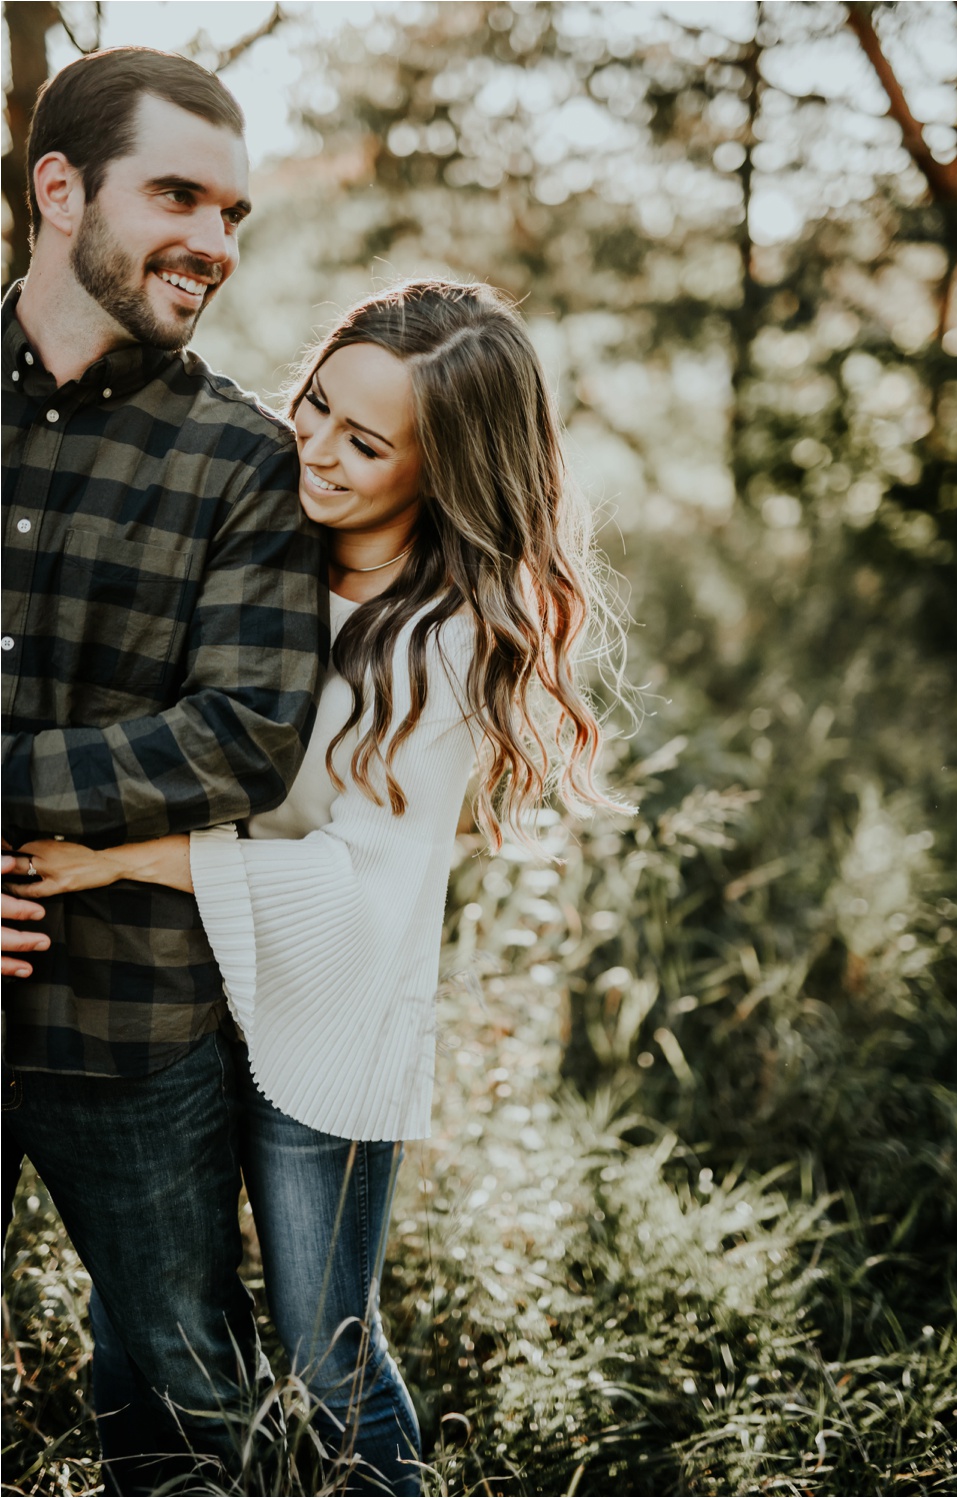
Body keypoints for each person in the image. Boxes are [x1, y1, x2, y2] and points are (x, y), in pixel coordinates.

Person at [14, 278, 629, 1495]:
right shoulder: (261, 540)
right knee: (142, 1330)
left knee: (329, 1358)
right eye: (315, 408)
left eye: (365, 441)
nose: (318, 450)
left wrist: (121, 854)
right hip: (181, 996)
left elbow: (354, 889)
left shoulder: (441, 636)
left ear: (443, 471)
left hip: (324, 1036)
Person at [0, 46, 325, 1495]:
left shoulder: (247, 463)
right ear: (57, 188)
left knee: (193, 1409)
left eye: (235, 212)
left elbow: (242, 733)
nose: (215, 240)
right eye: (179, 194)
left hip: (131, 1026)